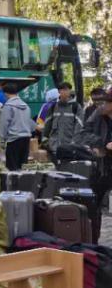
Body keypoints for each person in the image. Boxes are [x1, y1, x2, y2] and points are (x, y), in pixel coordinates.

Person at [83, 89, 112, 242]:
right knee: (94, 202)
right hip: (102, 165)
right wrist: (101, 143)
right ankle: (94, 239)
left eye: (106, 102)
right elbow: (84, 133)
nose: (102, 105)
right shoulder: (97, 113)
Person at [43, 82, 85, 163]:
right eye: (63, 90)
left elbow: (79, 127)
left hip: (69, 148)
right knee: (55, 168)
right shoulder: (53, 107)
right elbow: (47, 125)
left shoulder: (76, 107)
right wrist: (46, 142)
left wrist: (74, 143)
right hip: (54, 147)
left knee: (68, 168)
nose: (65, 92)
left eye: (67, 90)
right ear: (59, 91)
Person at [0, 82, 34, 171]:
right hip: (26, 138)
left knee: (12, 168)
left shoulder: (8, 106)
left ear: (5, 93)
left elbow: (4, 124)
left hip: (14, 139)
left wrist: (2, 140)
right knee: (23, 167)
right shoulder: (26, 106)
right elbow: (30, 123)